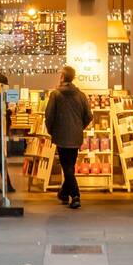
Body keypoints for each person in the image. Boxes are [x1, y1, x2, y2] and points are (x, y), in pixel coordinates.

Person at [44, 65, 93, 209]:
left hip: (61, 136)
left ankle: (76, 195)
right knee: (69, 166)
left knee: (67, 167)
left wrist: (52, 131)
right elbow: (89, 116)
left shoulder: (56, 95)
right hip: (76, 137)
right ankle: (63, 193)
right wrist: (79, 127)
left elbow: (49, 116)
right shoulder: (81, 95)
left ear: (63, 77)